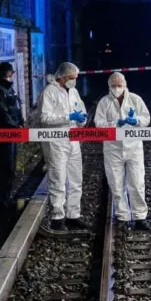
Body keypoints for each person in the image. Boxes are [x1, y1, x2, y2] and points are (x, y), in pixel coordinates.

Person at [94, 73, 151, 229]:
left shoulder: (135, 99)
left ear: (125, 85)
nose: (117, 89)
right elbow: (98, 123)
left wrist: (136, 121)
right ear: (109, 86)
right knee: (116, 183)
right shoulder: (104, 102)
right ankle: (122, 216)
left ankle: (140, 217)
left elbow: (146, 118)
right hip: (113, 148)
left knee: (137, 182)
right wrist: (115, 124)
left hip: (134, 147)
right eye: (114, 86)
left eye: (119, 85)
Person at [39, 62, 88, 230]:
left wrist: (82, 119)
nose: (74, 81)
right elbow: (45, 118)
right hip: (56, 142)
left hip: (73, 139)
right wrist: (69, 117)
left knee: (76, 179)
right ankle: (57, 217)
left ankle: (73, 215)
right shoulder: (49, 92)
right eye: (72, 78)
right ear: (62, 76)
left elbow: (81, 109)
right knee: (57, 178)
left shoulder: (73, 92)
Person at [0, 61, 24, 223]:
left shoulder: (9, 89)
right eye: (11, 73)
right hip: (2, 135)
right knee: (5, 169)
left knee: (11, 169)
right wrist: (15, 127)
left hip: (12, 134)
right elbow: (2, 114)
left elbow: (16, 108)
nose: (12, 76)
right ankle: (1, 205)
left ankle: (6, 200)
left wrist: (21, 123)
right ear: (7, 73)